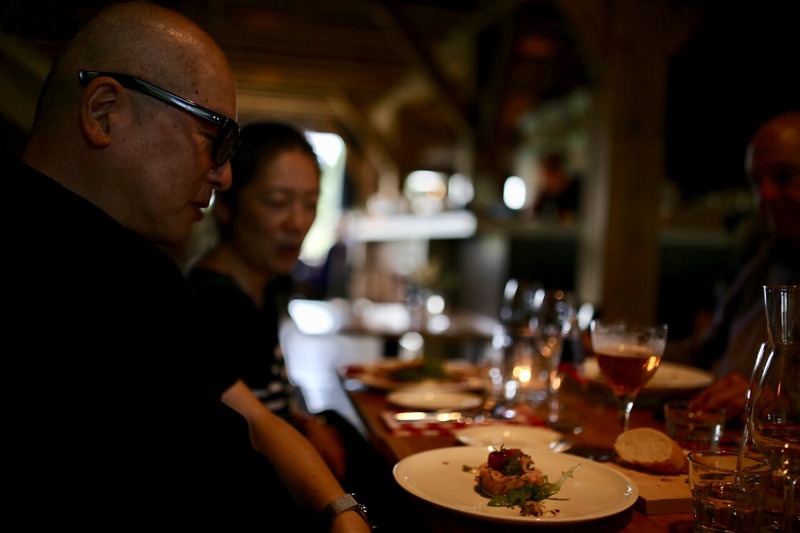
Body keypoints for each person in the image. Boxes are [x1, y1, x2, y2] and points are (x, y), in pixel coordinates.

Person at [6, 3, 371, 530]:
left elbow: (253, 418)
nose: (224, 176)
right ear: (104, 112)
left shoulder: (142, 270)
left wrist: (340, 509)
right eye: (211, 138)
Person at [186, 121, 423, 531]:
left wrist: (306, 419)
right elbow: (246, 437)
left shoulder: (261, 286)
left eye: (310, 203)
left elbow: (270, 396)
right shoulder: (216, 302)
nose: (297, 222)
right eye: (278, 201)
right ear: (225, 204)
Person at [672, 111, 800, 422]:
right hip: (721, 435)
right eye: (757, 183)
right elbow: (702, 351)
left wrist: (783, 403)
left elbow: (780, 397)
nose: (765, 195)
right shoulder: (770, 259)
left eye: (783, 177)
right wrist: (618, 348)